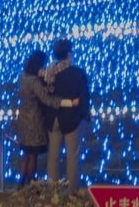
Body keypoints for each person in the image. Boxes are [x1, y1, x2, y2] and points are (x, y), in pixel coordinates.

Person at [46, 38, 90, 190]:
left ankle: (53, 189)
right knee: (73, 156)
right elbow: (84, 97)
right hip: (72, 119)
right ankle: (72, 191)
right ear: (69, 54)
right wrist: (84, 116)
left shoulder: (49, 73)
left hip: (53, 119)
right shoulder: (77, 73)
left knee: (53, 156)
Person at [14, 51, 54, 184]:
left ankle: (21, 182)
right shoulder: (34, 81)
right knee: (33, 154)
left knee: (26, 152)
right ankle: (31, 182)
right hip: (34, 120)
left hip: (23, 118)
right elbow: (45, 99)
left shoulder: (23, 77)